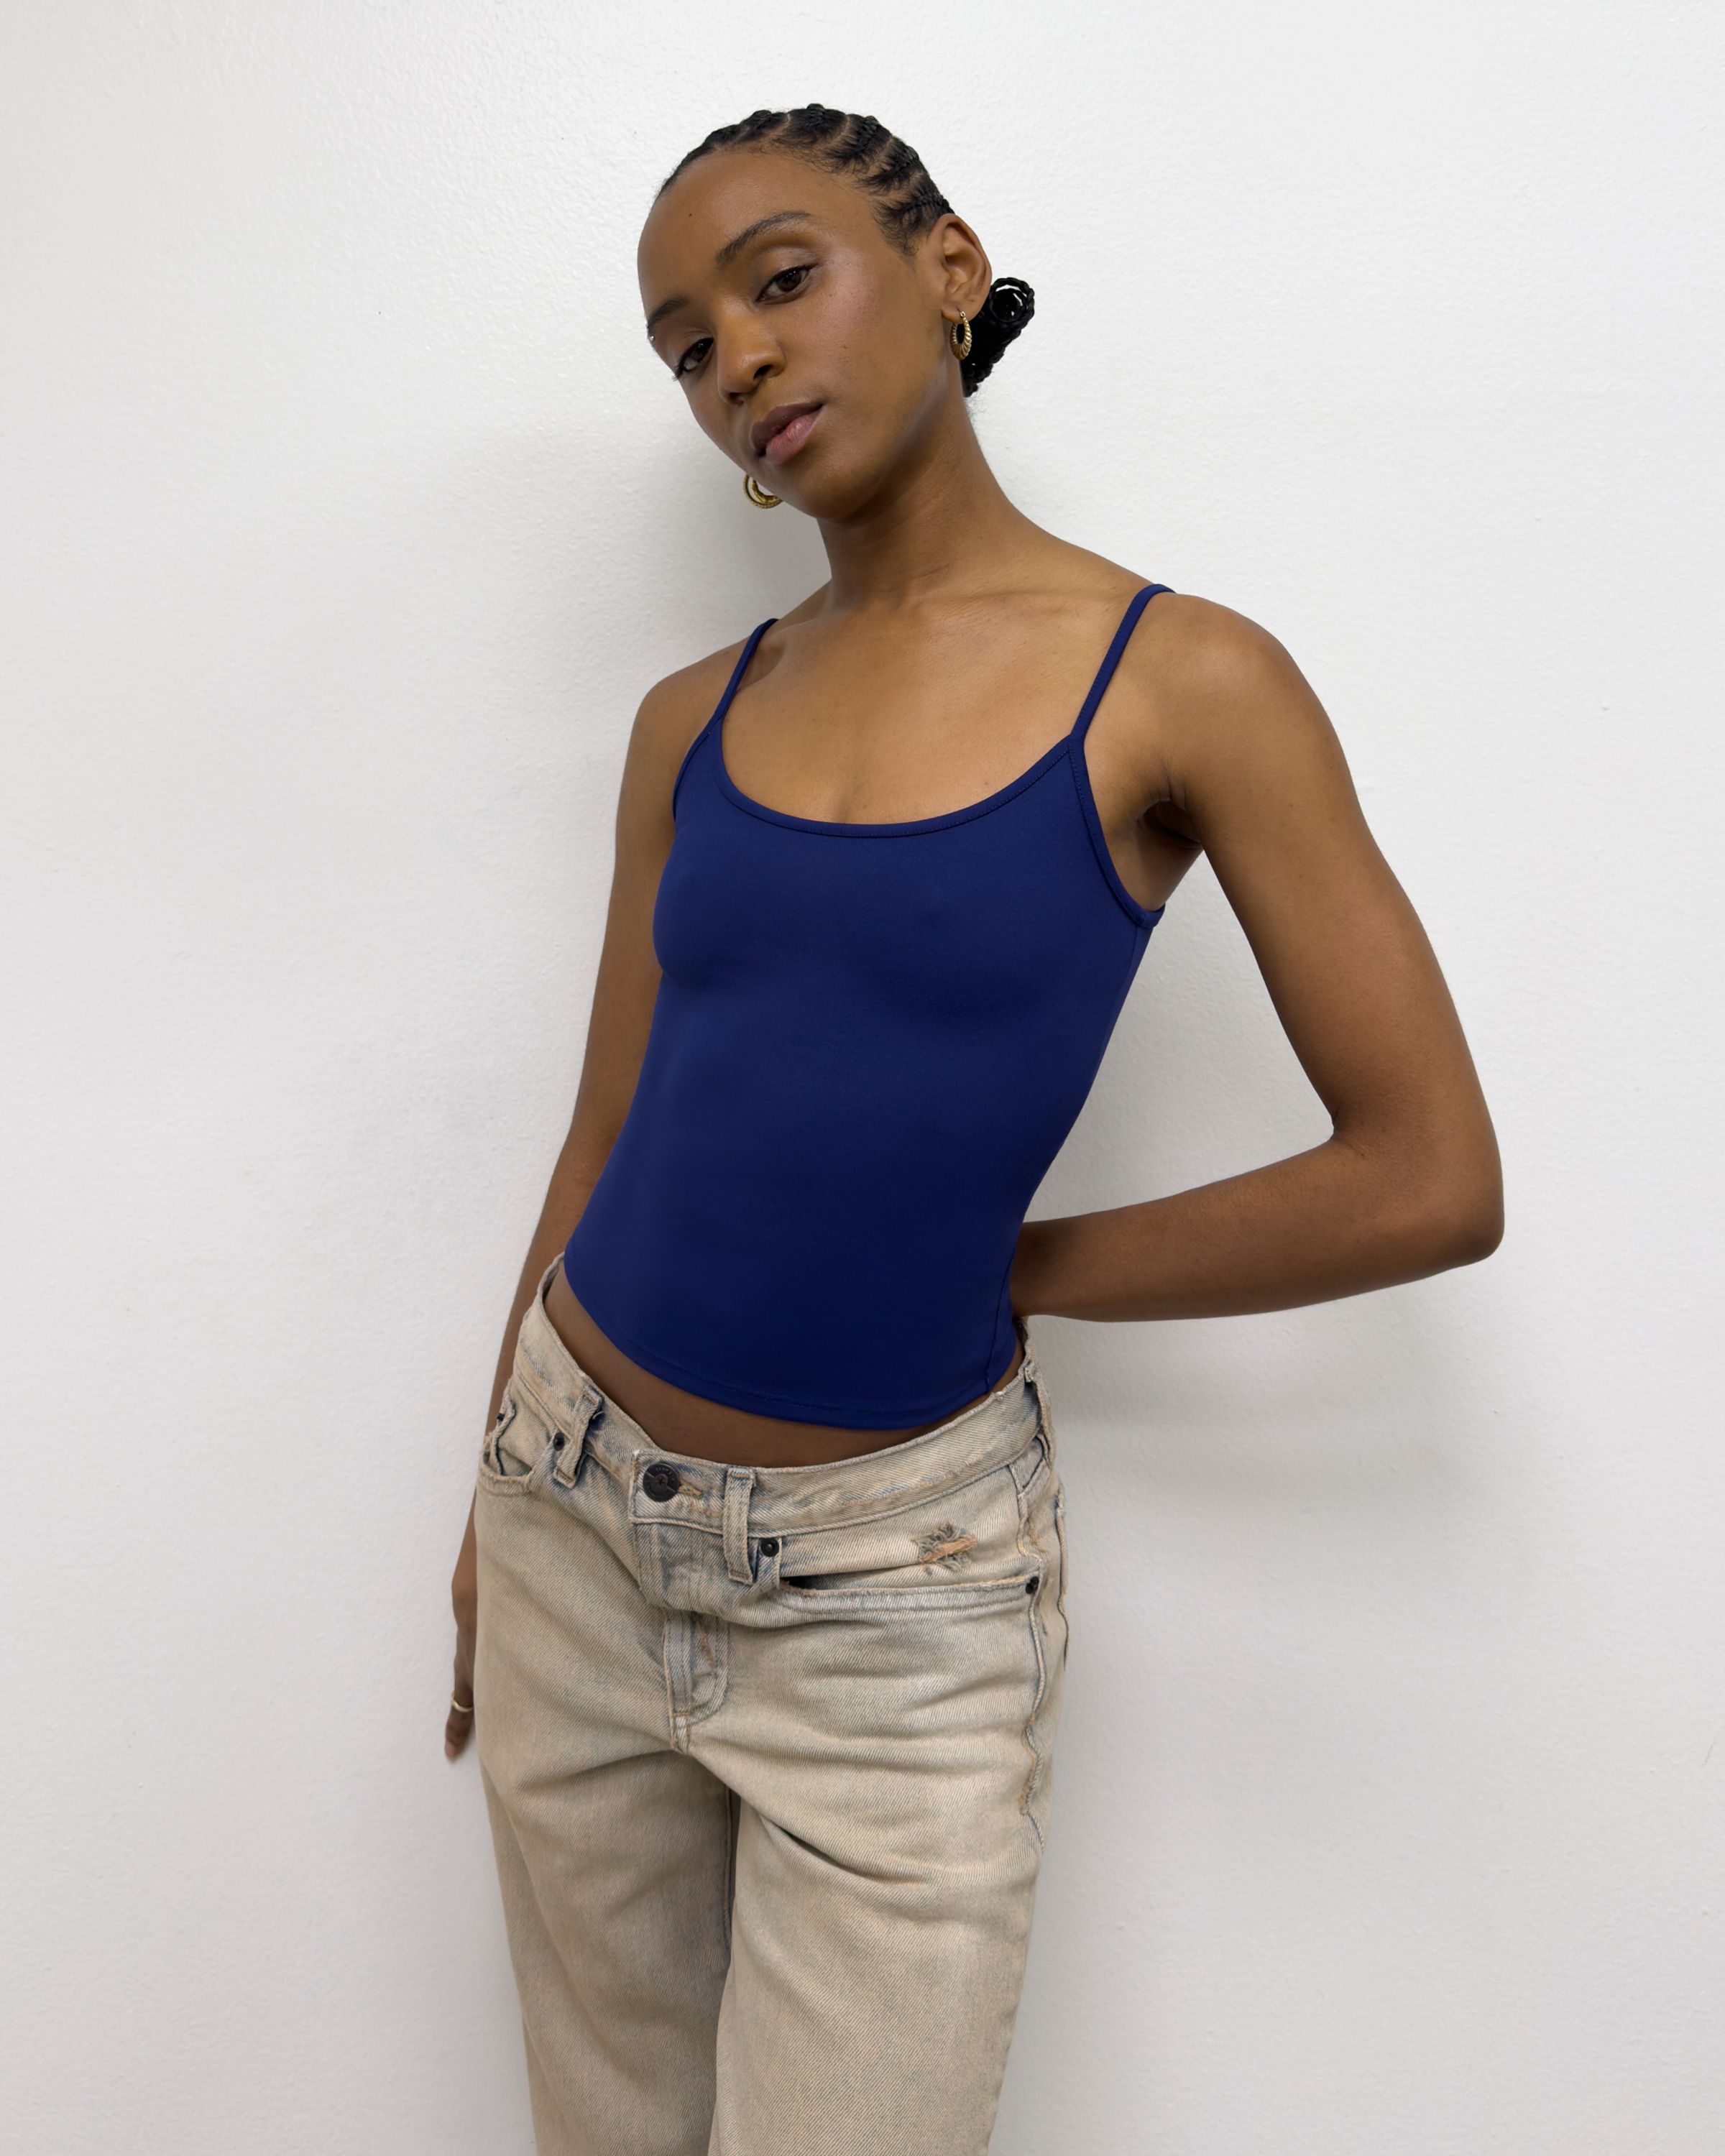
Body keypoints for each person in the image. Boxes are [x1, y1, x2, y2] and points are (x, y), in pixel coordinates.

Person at [442, 104, 1503, 2156]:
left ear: (948, 269)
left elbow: (1428, 1175)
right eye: (685, 347)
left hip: (898, 1603)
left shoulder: (1186, 682)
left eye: (780, 279)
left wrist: (1011, 1267)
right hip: (567, 1507)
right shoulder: (690, 719)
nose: (738, 360)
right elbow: (604, 1136)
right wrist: (489, 1495)